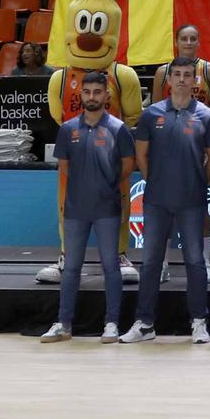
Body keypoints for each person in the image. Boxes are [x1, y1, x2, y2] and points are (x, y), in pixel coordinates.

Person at [121, 57, 210, 344]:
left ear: (195, 80)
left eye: (187, 75)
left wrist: (198, 178)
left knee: (194, 261)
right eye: (176, 74)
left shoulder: (207, 115)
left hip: (191, 198)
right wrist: (157, 180)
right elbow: (141, 156)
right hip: (156, 199)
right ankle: (145, 323)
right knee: (151, 262)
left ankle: (199, 321)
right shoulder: (151, 114)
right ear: (169, 79)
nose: (181, 79)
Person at [40, 71, 137, 343]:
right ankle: (64, 324)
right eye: (87, 92)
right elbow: (65, 167)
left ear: (107, 95)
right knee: (70, 268)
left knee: (110, 266)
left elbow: (128, 164)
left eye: (97, 92)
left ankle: (112, 324)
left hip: (107, 209)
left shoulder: (118, 129)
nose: (92, 97)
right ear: (80, 95)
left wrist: (105, 185)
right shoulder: (68, 129)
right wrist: (86, 186)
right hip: (75, 210)